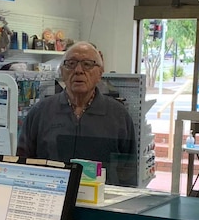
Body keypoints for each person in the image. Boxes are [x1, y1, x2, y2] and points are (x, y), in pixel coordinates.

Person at [16, 42, 137, 187]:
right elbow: (22, 165)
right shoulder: (40, 113)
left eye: (87, 64)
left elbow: (128, 173)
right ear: (61, 71)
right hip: (53, 202)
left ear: (100, 73)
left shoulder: (118, 116)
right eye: (71, 64)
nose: (78, 70)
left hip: (100, 204)